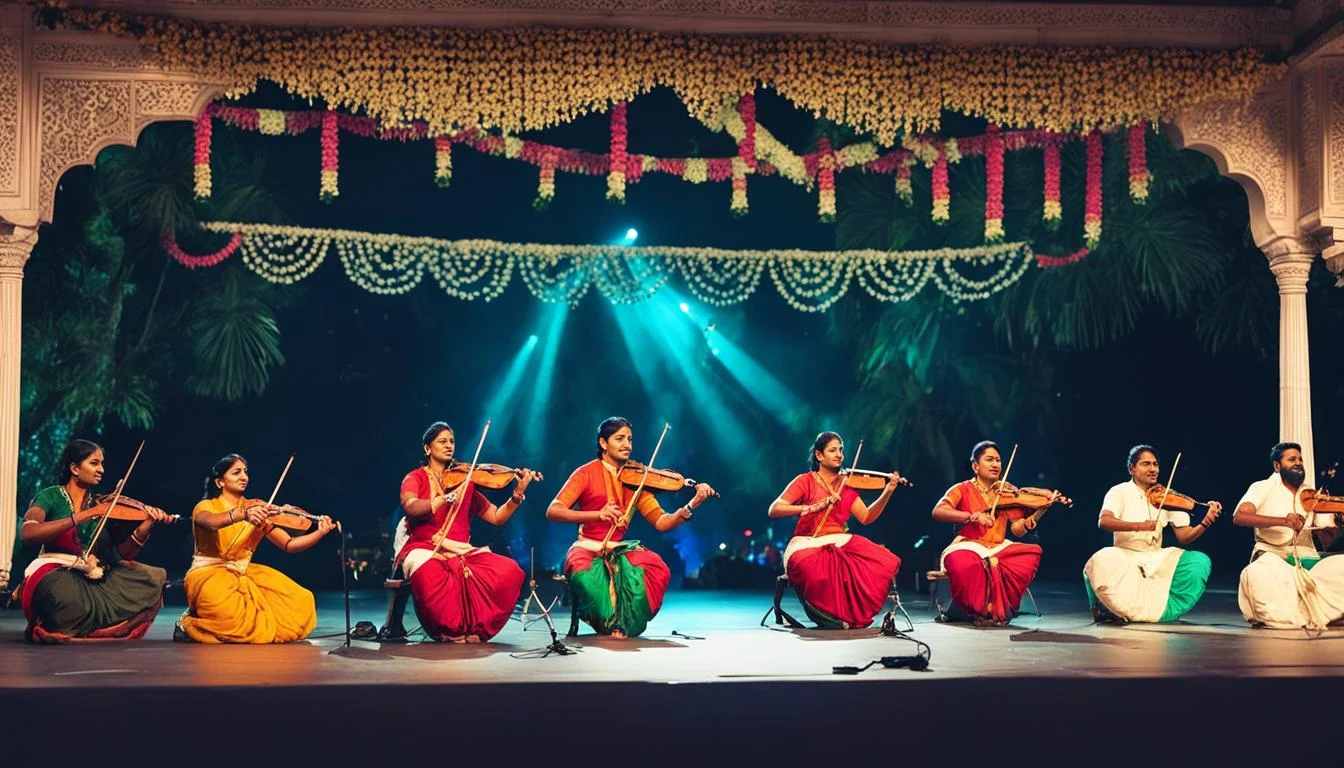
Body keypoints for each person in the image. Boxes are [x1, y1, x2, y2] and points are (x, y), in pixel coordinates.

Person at [546, 417, 715, 638]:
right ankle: (608, 624)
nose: (627, 444)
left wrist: (692, 505)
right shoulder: (585, 473)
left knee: (656, 568)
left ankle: (622, 625)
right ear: (603, 443)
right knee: (586, 579)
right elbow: (553, 510)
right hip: (586, 546)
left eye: (629, 439)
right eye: (619, 439)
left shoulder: (637, 479)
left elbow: (662, 522)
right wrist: (598, 514)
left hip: (618, 548)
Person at [18, 439, 173, 643]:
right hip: (54, 570)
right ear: (74, 468)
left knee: (149, 577)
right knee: (63, 592)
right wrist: (86, 515)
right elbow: (28, 533)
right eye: (94, 463)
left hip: (88, 571)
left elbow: (125, 554)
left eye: (102, 463)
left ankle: (86, 624)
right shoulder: (51, 496)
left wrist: (146, 525)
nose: (101, 469)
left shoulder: (103, 505)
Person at [177, 454, 335, 643]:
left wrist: (319, 532)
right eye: (236, 472)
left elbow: (289, 544)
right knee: (238, 620)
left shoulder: (257, 508)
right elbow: (211, 523)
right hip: (208, 574)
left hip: (243, 573)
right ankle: (187, 624)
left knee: (301, 600)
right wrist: (243, 514)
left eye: (245, 472)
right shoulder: (207, 506)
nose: (244, 477)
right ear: (220, 482)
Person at [398, 422, 533, 642]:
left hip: (460, 548)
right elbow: (411, 506)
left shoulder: (465, 482)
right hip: (425, 546)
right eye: (442, 441)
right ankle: (449, 631)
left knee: (508, 571)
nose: (449, 445)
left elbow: (496, 516)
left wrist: (517, 494)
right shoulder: (415, 478)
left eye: (451, 441)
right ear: (427, 448)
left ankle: (476, 629)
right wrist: (443, 499)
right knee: (429, 573)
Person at [766, 431, 903, 628]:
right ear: (819, 455)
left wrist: (888, 492)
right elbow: (775, 509)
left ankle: (851, 616)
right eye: (832, 450)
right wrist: (810, 508)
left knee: (879, 558)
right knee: (814, 565)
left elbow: (866, 517)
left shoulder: (846, 486)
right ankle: (827, 615)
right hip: (808, 541)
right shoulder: (805, 481)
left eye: (840, 450)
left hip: (839, 539)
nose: (839, 454)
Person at [1082, 445, 1220, 623]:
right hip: (1125, 554)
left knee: (1198, 561)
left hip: (1156, 556)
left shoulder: (1166, 497)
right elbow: (1104, 521)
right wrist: (1140, 526)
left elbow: (1184, 537)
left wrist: (1205, 522)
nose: (1153, 469)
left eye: (1155, 464)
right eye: (1146, 464)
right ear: (1132, 469)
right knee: (1102, 558)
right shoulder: (1119, 492)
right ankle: (1110, 608)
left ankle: (1162, 612)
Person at [931, 441, 1059, 626]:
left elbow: (1017, 530)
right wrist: (972, 516)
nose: (995, 465)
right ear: (975, 465)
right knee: (963, 563)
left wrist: (1036, 516)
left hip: (998, 548)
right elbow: (938, 511)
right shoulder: (962, 489)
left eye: (998, 460)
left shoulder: (1006, 491)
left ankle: (995, 609)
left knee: (1031, 553)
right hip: (969, 545)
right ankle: (979, 611)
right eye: (989, 460)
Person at [1234, 441, 1344, 629]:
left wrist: (1338, 525)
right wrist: (1283, 521)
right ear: (1277, 466)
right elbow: (1240, 517)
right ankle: (1314, 615)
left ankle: (1319, 614)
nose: (1298, 462)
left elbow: (1327, 542)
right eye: (1292, 459)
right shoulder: (1262, 487)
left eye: (1300, 459)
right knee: (1258, 574)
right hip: (1272, 556)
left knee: (1339, 565)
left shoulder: (1313, 495)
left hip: (1308, 559)